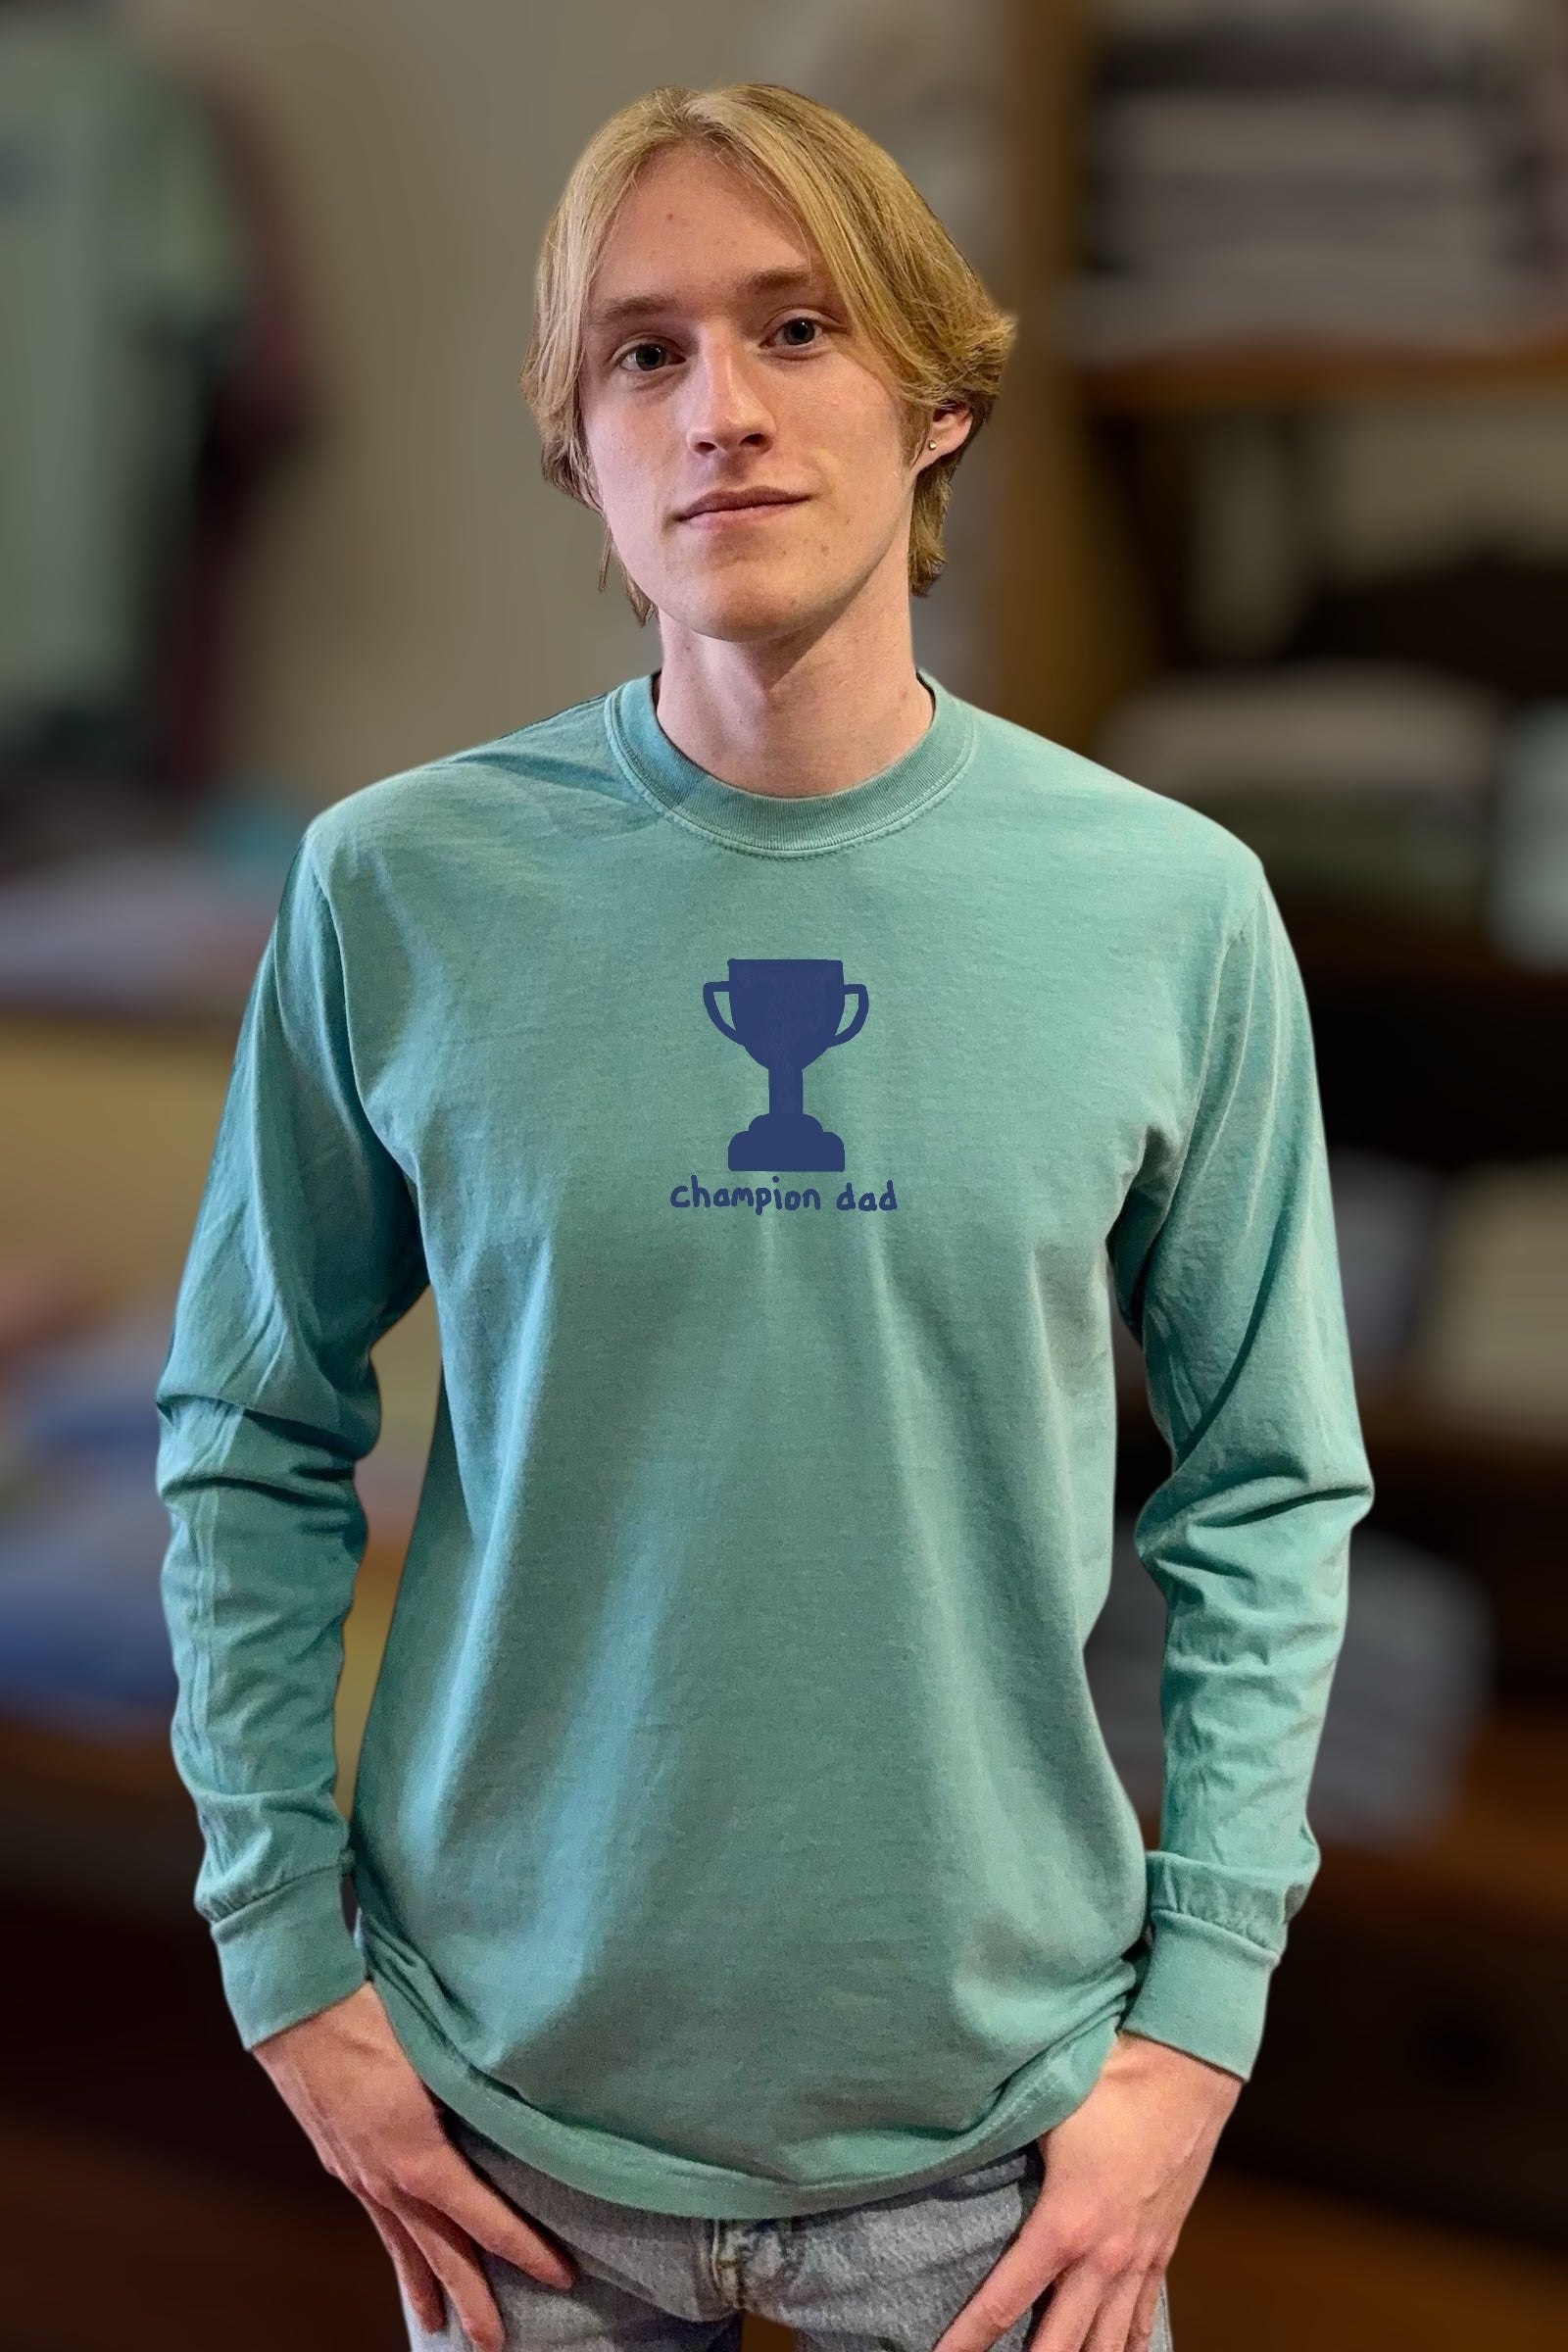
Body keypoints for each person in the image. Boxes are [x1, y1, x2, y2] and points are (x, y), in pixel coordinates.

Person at [155, 80, 1373, 2352]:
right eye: (643, 351)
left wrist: (1197, 2028)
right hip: (509, 2132)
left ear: (934, 397)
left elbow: (1268, 1485)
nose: (717, 406)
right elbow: (248, 1428)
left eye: (793, 328)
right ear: (578, 446)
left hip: (1005, 2152)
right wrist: (281, 1958)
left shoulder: (1170, 912)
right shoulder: (393, 890)